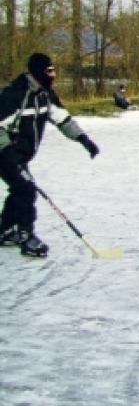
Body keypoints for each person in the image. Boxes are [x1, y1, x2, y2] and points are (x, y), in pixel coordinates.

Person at [0, 53, 100, 257]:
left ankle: (5, 231)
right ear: (38, 72)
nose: (53, 75)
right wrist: (8, 151)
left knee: (19, 188)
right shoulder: (15, 95)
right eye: (49, 71)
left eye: (54, 71)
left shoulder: (46, 95)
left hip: (20, 155)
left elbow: (63, 119)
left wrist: (83, 140)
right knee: (26, 189)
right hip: (5, 153)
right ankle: (27, 236)